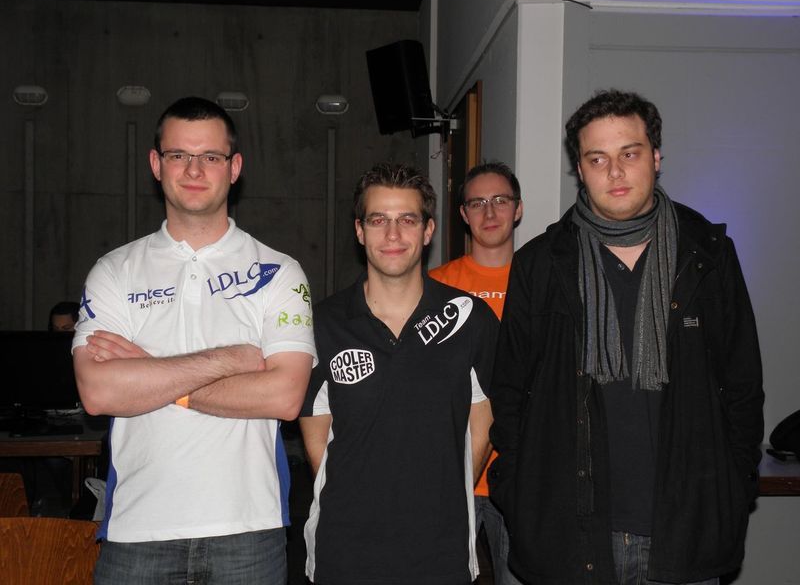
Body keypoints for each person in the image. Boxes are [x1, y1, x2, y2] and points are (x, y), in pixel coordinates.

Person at [489, 90, 764, 585]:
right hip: (571, 537)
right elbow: (509, 393)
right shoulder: (541, 264)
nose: (614, 172)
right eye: (598, 159)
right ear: (580, 169)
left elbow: (742, 386)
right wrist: (517, 490)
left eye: (629, 154)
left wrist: (733, 486)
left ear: (656, 157)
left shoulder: (707, 255)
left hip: (686, 533)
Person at [72, 97, 316, 584]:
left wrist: (149, 370)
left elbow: (285, 397)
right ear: (156, 164)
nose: (194, 170)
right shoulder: (114, 271)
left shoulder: (279, 272)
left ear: (235, 168)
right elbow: (99, 392)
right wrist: (231, 359)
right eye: (179, 155)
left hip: (248, 530)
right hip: (136, 531)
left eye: (211, 156)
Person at [300, 163, 499, 585]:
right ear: (359, 231)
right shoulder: (323, 324)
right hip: (344, 553)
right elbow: (317, 437)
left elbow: (483, 423)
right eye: (378, 220)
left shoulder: (470, 319)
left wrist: (441, 491)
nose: (393, 235)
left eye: (407, 220)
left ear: (428, 231)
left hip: (441, 553)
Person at [429, 161, 523, 585]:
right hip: (451, 473)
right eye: (477, 203)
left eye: (500, 200)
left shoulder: (539, 281)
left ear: (518, 208)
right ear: (463, 214)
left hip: (521, 476)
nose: (489, 212)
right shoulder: (435, 287)